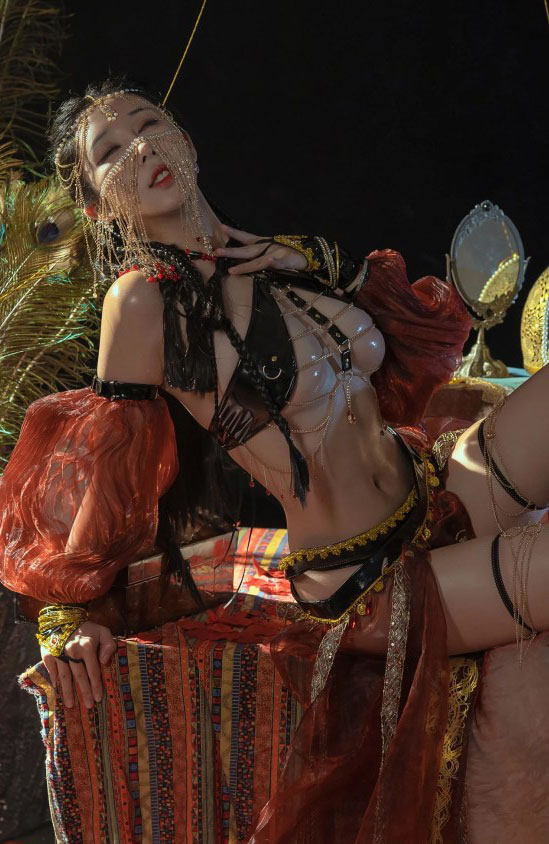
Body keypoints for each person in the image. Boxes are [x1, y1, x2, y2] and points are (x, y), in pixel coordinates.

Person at [1, 78, 548, 842]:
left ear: (186, 142)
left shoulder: (275, 258)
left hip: (436, 490)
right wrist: (73, 615)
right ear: (98, 208)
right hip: (367, 577)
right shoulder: (142, 302)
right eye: (111, 151)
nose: (141, 147)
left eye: (149, 124)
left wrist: (317, 258)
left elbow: (414, 341)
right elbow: (109, 464)